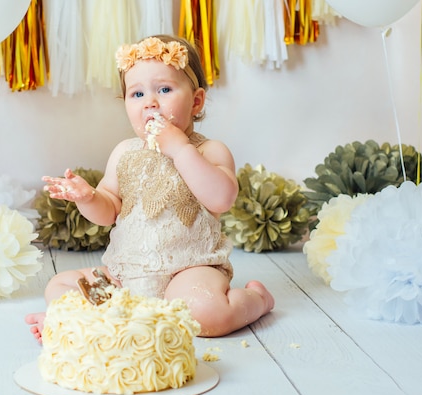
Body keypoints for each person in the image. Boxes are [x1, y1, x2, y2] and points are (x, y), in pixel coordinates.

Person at [25, 35, 274, 341]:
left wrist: (180, 149)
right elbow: (109, 210)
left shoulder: (209, 151)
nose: (150, 102)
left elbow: (221, 199)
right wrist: (89, 197)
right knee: (60, 287)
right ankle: (88, 315)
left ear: (196, 101)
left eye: (165, 90)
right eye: (137, 93)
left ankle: (257, 300)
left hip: (187, 271)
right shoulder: (124, 152)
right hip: (124, 277)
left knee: (204, 314)